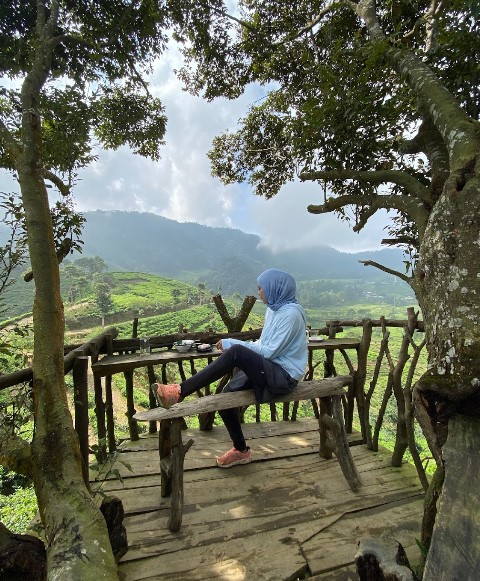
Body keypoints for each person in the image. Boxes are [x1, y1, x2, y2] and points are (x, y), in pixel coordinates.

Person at [151, 268, 308, 468]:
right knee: (226, 397)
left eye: (262, 288)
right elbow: (263, 343)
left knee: (236, 352)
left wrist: (231, 343)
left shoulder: (291, 315)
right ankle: (241, 450)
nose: (259, 292)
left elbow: (268, 351)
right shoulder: (274, 309)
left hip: (283, 376)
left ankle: (179, 391)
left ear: (275, 289)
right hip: (269, 368)